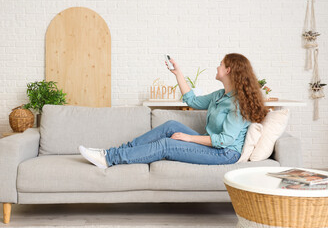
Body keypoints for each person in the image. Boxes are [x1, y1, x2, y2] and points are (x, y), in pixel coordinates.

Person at [79, 53, 268, 169]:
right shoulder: (220, 95)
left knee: (167, 145)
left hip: (225, 153)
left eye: (220, 63)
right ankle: (112, 153)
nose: (217, 66)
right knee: (170, 126)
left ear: (228, 70)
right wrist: (178, 73)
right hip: (212, 146)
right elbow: (192, 101)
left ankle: (109, 159)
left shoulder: (237, 104)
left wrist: (189, 138)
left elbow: (225, 140)